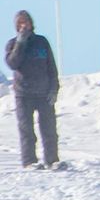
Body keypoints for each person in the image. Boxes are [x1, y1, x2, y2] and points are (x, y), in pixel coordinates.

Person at [5, 10, 59, 169]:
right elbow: (12, 64)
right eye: (20, 23)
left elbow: (52, 68)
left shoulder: (42, 42)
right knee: (26, 130)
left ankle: (52, 160)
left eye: (26, 21)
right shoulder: (12, 44)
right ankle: (29, 162)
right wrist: (20, 44)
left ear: (31, 23)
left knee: (49, 129)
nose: (24, 25)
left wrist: (54, 89)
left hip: (44, 93)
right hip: (23, 95)